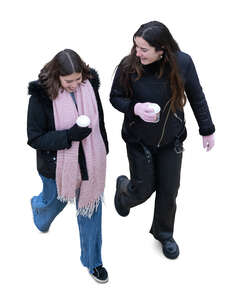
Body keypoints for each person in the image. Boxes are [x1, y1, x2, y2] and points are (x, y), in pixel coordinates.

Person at [110, 21, 215, 259]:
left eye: (144, 49)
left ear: (162, 49)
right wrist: (135, 108)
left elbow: (197, 96)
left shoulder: (183, 63)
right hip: (139, 141)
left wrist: (206, 129)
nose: (138, 53)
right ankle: (124, 193)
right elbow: (115, 97)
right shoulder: (128, 67)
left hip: (171, 141)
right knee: (144, 189)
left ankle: (164, 234)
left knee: (169, 191)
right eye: (136, 46)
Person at [27, 49, 109, 283]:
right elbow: (34, 138)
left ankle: (94, 262)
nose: (75, 85)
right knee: (54, 203)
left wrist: (104, 149)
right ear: (57, 76)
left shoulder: (89, 86)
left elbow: (99, 119)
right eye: (68, 81)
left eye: (78, 79)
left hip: (91, 163)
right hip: (56, 168)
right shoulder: (41, 97)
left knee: (91, 210)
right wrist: (69, 136)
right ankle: (38, 209)